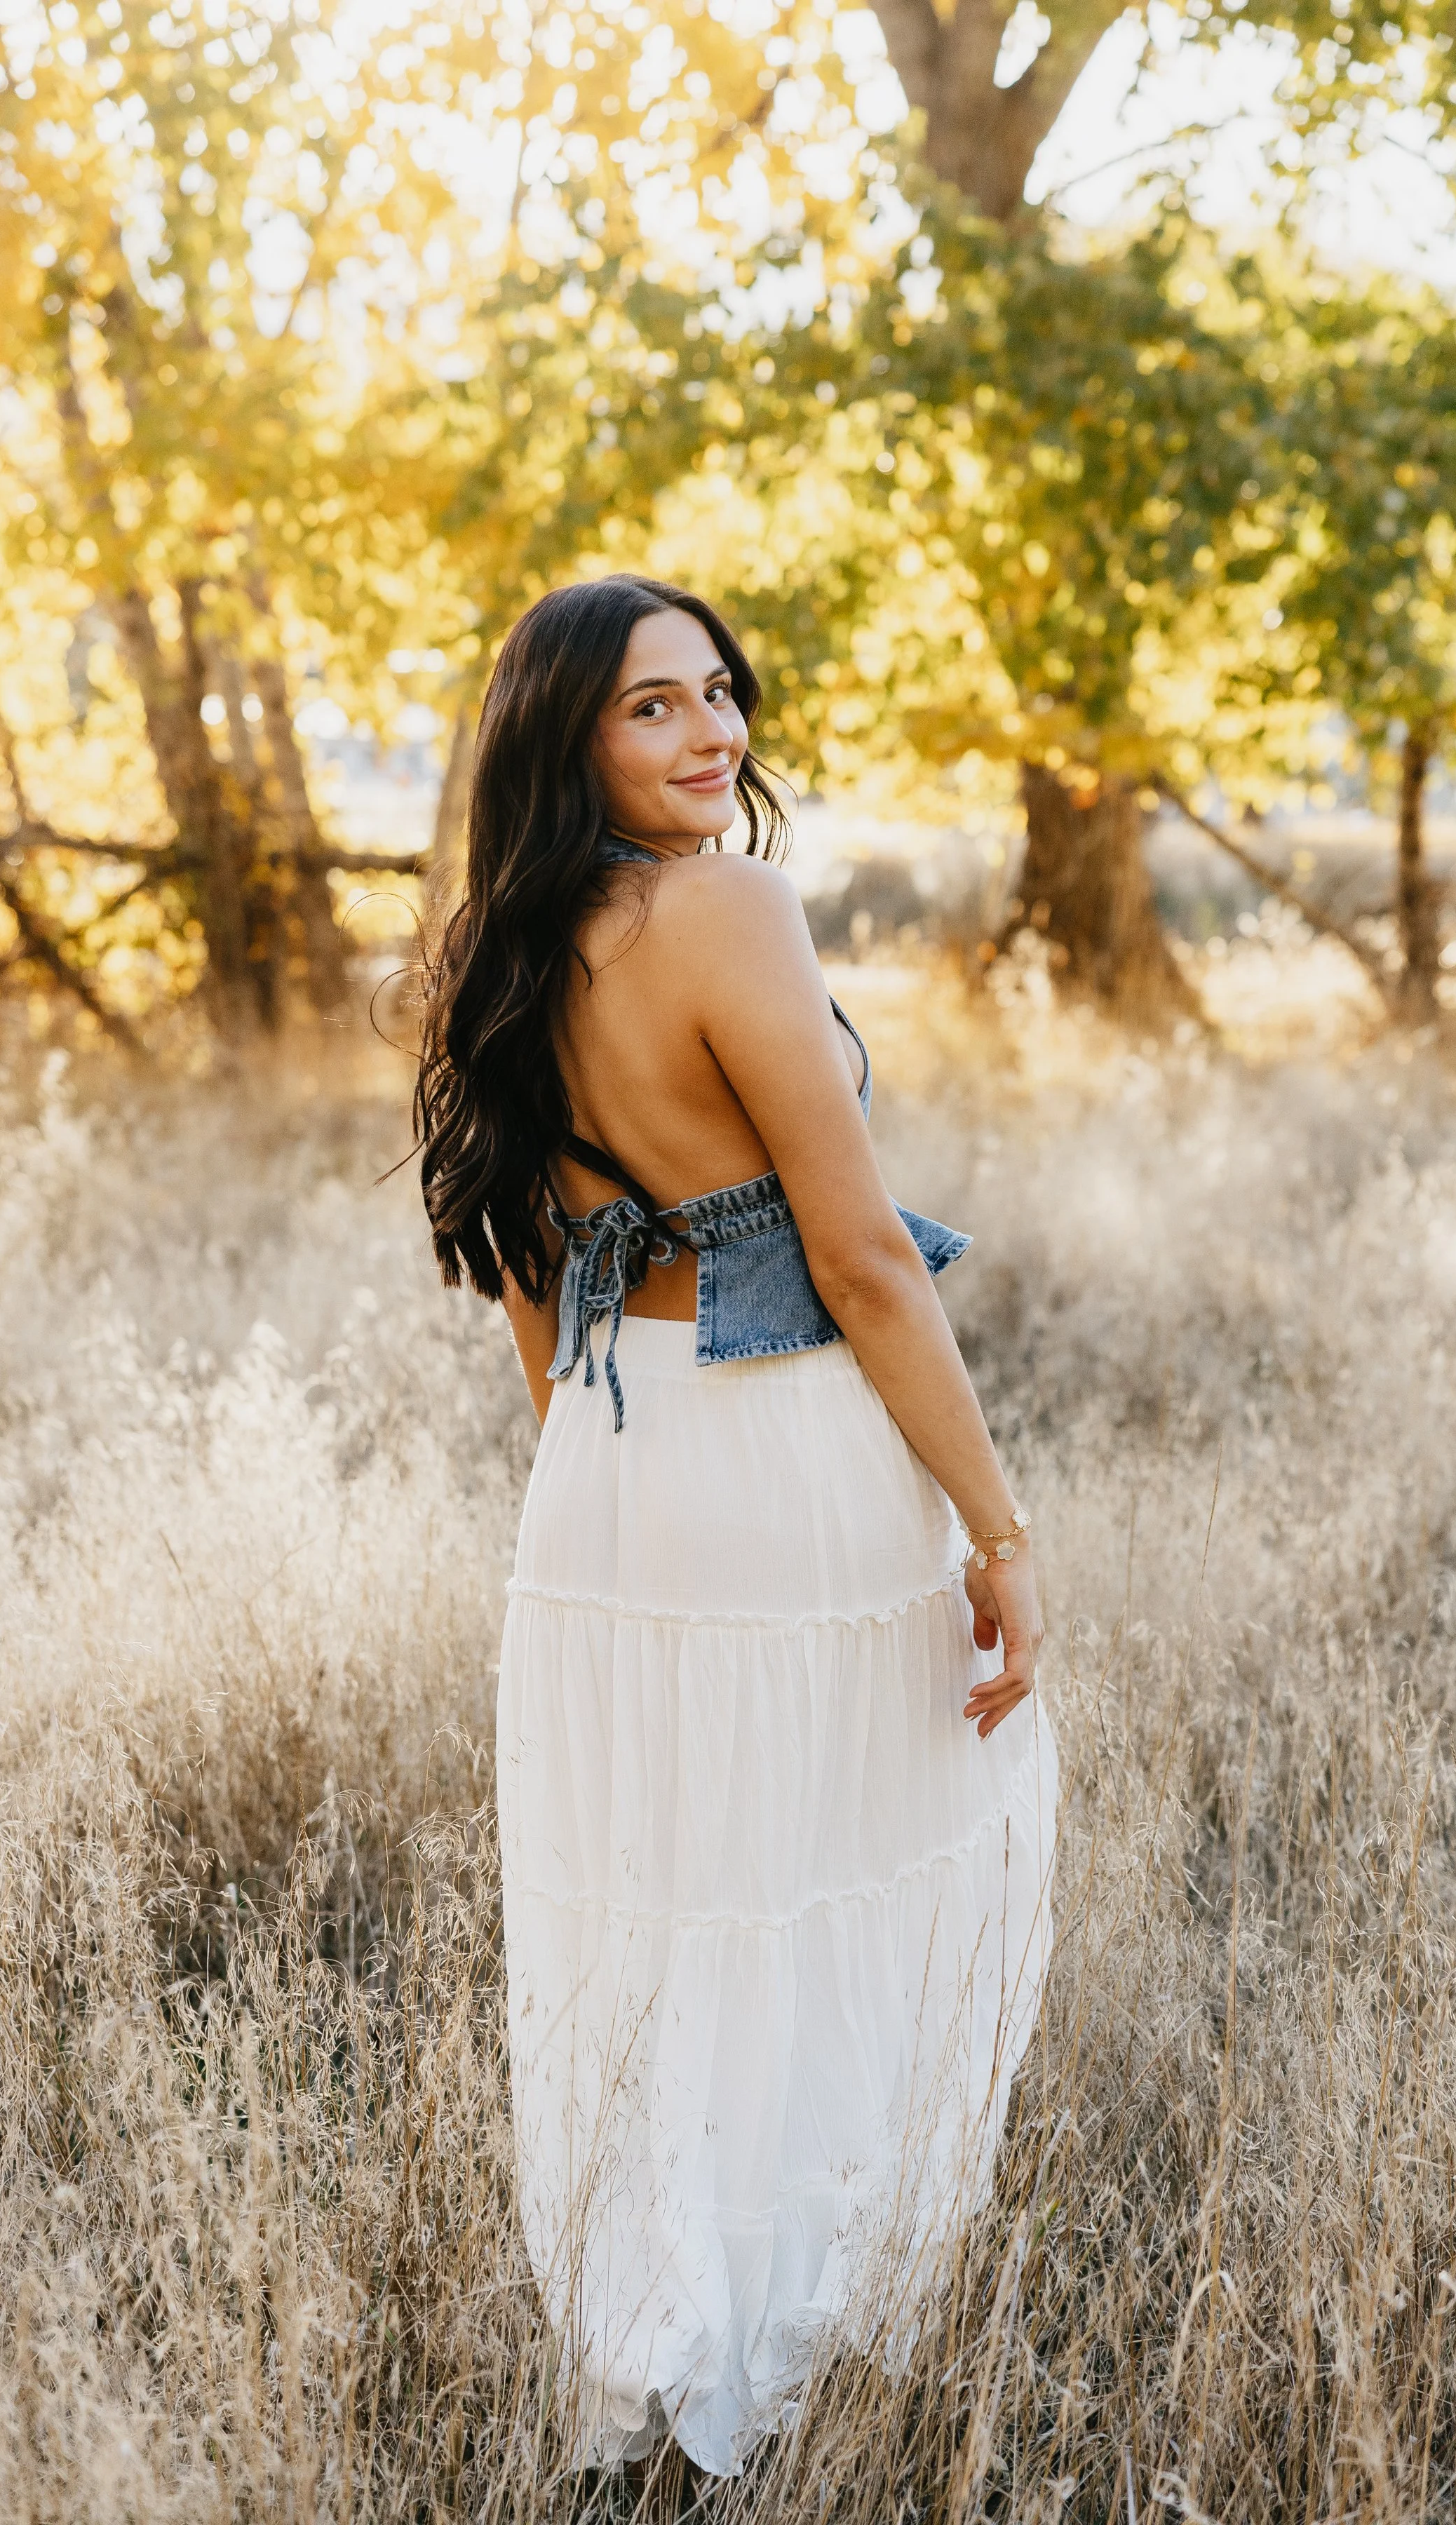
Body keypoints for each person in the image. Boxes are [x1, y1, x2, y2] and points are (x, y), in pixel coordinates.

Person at [415, 574, 1058, 2479]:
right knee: (872, 1840)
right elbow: (861, 1256)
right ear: (567, 742)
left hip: (609, 1483)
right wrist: (998, 1528)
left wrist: (630, 1477)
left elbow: (539, 1297)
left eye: (721, 697)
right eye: (653, 710)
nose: (712, 738)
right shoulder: (728, 909)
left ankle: (668, 2347)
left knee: (672, 1905)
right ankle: (784, 2337)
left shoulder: (489, 957)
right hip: (785, 1457)